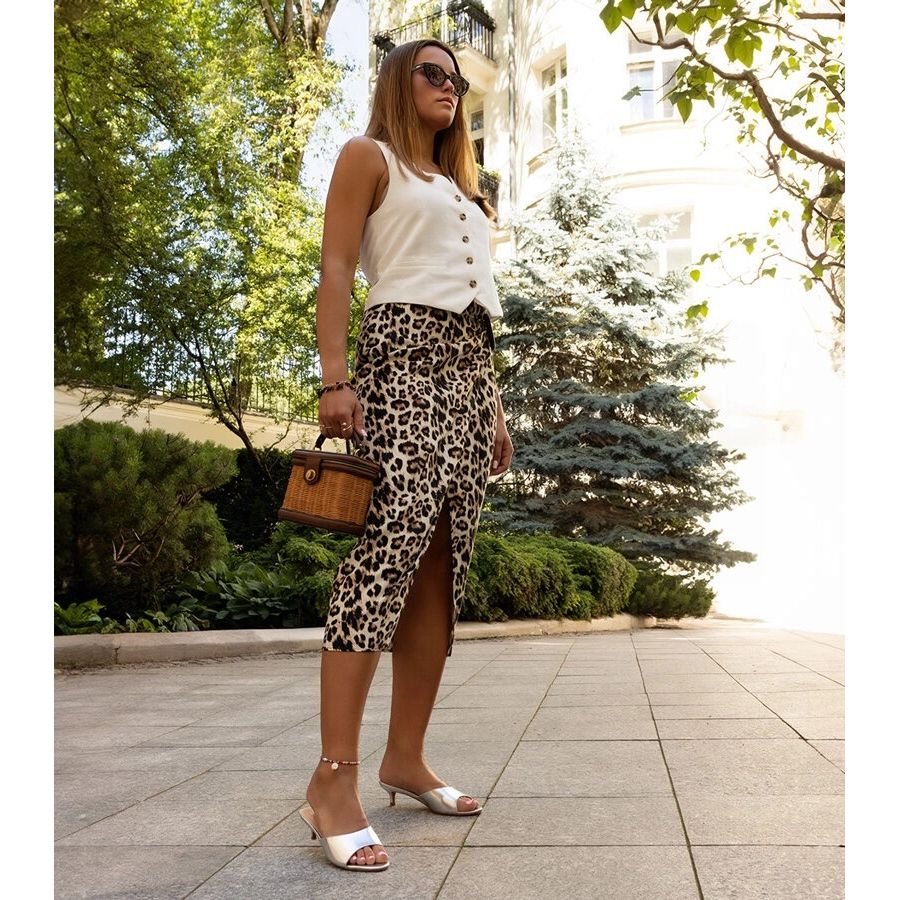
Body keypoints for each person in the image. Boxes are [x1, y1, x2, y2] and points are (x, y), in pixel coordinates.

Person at [298, 38, 514, 873]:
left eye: (455, 78)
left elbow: (479, 312)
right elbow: (336, 267)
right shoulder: (368, 157)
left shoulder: (466, 190)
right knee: (383, 559)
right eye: (433, 72)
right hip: (400, 369)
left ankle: (406, 758)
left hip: (468, 384)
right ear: (398, 80)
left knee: (440, 571)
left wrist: (494, 408)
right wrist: (334, 378)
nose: (449, 85)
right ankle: (333, 780)